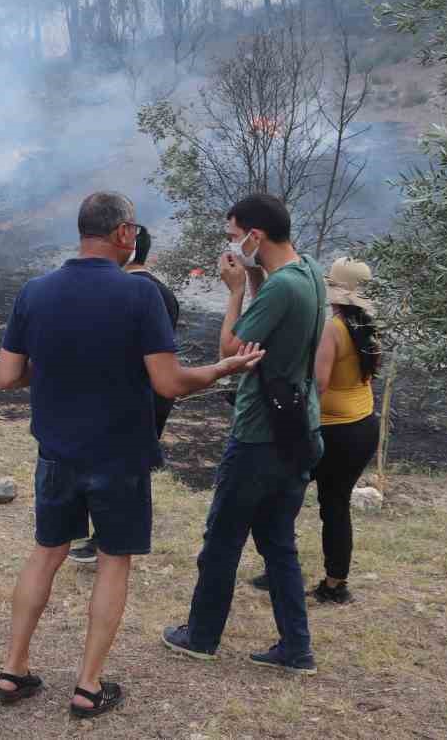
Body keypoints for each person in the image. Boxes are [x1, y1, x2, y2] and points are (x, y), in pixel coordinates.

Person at [0, 192, 263, 720]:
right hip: (119, 456)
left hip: (56, 454)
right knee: (114, 561)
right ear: (122, 233)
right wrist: (222, 371)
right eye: (133, 228)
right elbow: (168, 382)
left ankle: (13, 669)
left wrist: (53, 368)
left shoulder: (36, 291)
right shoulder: (141, 296)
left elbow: (6, 375)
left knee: (47, 551)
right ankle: (87, 687)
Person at [161, 193, 327, 676]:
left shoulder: (280, 288)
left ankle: (201, 635)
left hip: (259, 435)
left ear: (255, 235)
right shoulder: (308, 272)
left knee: (222, 537)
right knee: (277, 541)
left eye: (235, 235)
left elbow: (232, 348)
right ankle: (296, 648)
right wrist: (253, 275)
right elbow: (270, 317)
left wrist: (233, 290)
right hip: (298, 430)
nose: (231, 244)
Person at [253, 257, 381, 605]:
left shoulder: (333, 328)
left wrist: (290, 418)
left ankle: (278, 567)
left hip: (333, 430)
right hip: (365, 425)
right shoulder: (372, 326)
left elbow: (319, 385)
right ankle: (335, 584)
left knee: (283, 495)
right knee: (336, 504)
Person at [68, 224, 182, 566]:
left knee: (117, 470)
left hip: (135, 396)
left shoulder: (136, 291)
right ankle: (107, 537)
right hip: (153, 395)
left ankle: (107, 540)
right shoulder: (163, 292)